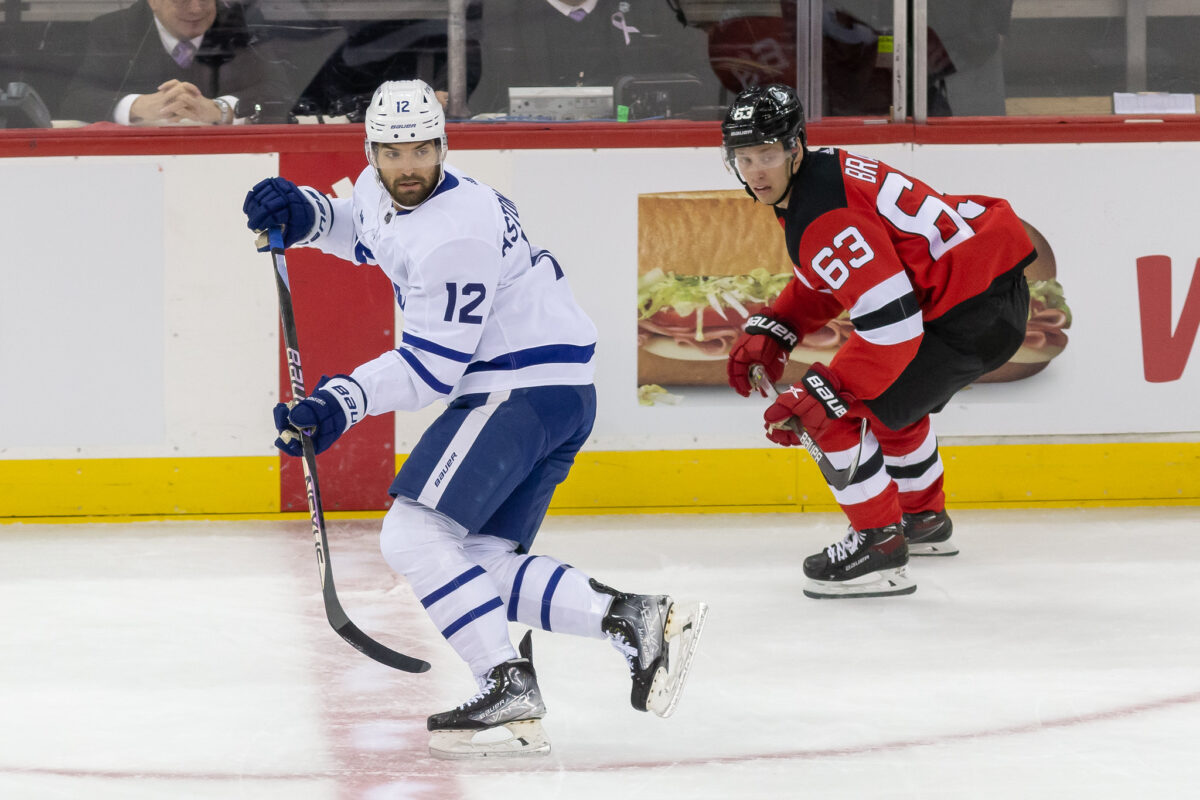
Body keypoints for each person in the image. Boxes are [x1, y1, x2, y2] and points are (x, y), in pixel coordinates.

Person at [242, 80, 706, 758]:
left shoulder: (455, 234)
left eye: (422, 150)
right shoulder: (390, 190)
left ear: (443, 145)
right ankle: (634, 618)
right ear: (371, 150)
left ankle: (504, 680)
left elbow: (430, 368)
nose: (408, 166)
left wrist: (337, 403)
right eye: (393, 152)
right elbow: (365, 228)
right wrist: (306, 215)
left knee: (412, 534)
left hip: (517, 389)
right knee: (477, 560)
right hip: (553, 390)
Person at [721, 84, 1035, 599]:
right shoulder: (820, 177)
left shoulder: (819, 212)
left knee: (832, 410)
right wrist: (781, 323)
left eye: (769, 155)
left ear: (795, 148)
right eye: (745, 157)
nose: (757, 171)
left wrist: (829, 390)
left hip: (969, 315)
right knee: (891, 403)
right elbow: (842, 275)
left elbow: (893, 324)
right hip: (983, 296)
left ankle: (878, 546)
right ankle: (923, 521)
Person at [59, 0, 290, 125]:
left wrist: (221, 109)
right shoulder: (115, 28)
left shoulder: (242, 23)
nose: (195, 8)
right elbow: (76, 98)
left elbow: (279, 93)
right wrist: (138, 106)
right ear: (153, 2)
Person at [467, 0, 717, 116]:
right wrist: (443, 94)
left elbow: (705, 70)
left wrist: (683, 115)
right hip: (529, 150)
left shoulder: (646, 7)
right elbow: (467, 73)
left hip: (629, 146)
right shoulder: (500, 11)